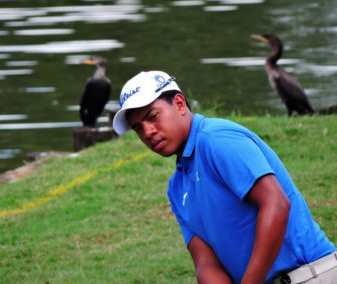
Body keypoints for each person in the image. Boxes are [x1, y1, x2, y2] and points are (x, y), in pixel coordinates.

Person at [112, 70, 337, 283]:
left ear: (179, 104)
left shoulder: (216, 139)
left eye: (153, 117)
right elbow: (206, 263)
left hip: (311, 276)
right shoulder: (176, 188)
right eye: (138, 128)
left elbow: (276, 204)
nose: (148, 132)